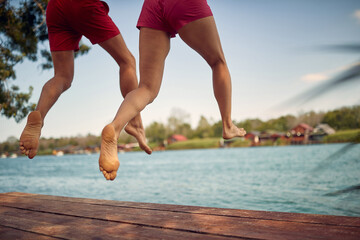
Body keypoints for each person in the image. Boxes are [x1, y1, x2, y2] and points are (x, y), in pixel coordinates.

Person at [98, 0, 246, 181]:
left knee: (146, 88)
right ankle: (228, 125)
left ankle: (115, 127)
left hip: (151, 6)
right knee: (218, 62)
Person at [19, 0, 152, 161]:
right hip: (83, 5)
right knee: (127, 61)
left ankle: (39, 115)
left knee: (62, 76)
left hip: (55, 8)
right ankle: (135, 122)